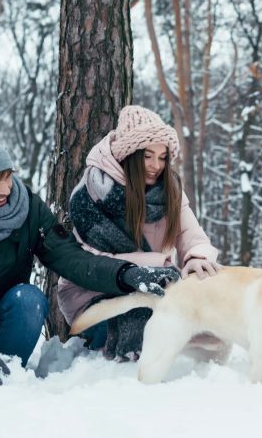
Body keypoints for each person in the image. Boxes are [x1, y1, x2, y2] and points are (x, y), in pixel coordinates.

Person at [0, 117, 176, 392]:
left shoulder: (24, 208)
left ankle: (8, 382)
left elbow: (70, 257)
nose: (5, 189)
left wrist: (126, 273)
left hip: (5, 321)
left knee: (30, 299)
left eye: (8, 177)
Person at [57, 105, 220, 362]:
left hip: (153, 288)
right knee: (149, 322)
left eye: (163, 157)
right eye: (147, 156)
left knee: (212, 318)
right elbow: (90, 258)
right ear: (130, 154)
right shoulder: (93, 193)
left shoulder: (170, 190)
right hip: (93, 296)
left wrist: (197, 257)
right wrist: (155, 266)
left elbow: (191, 234)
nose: (156, 165)